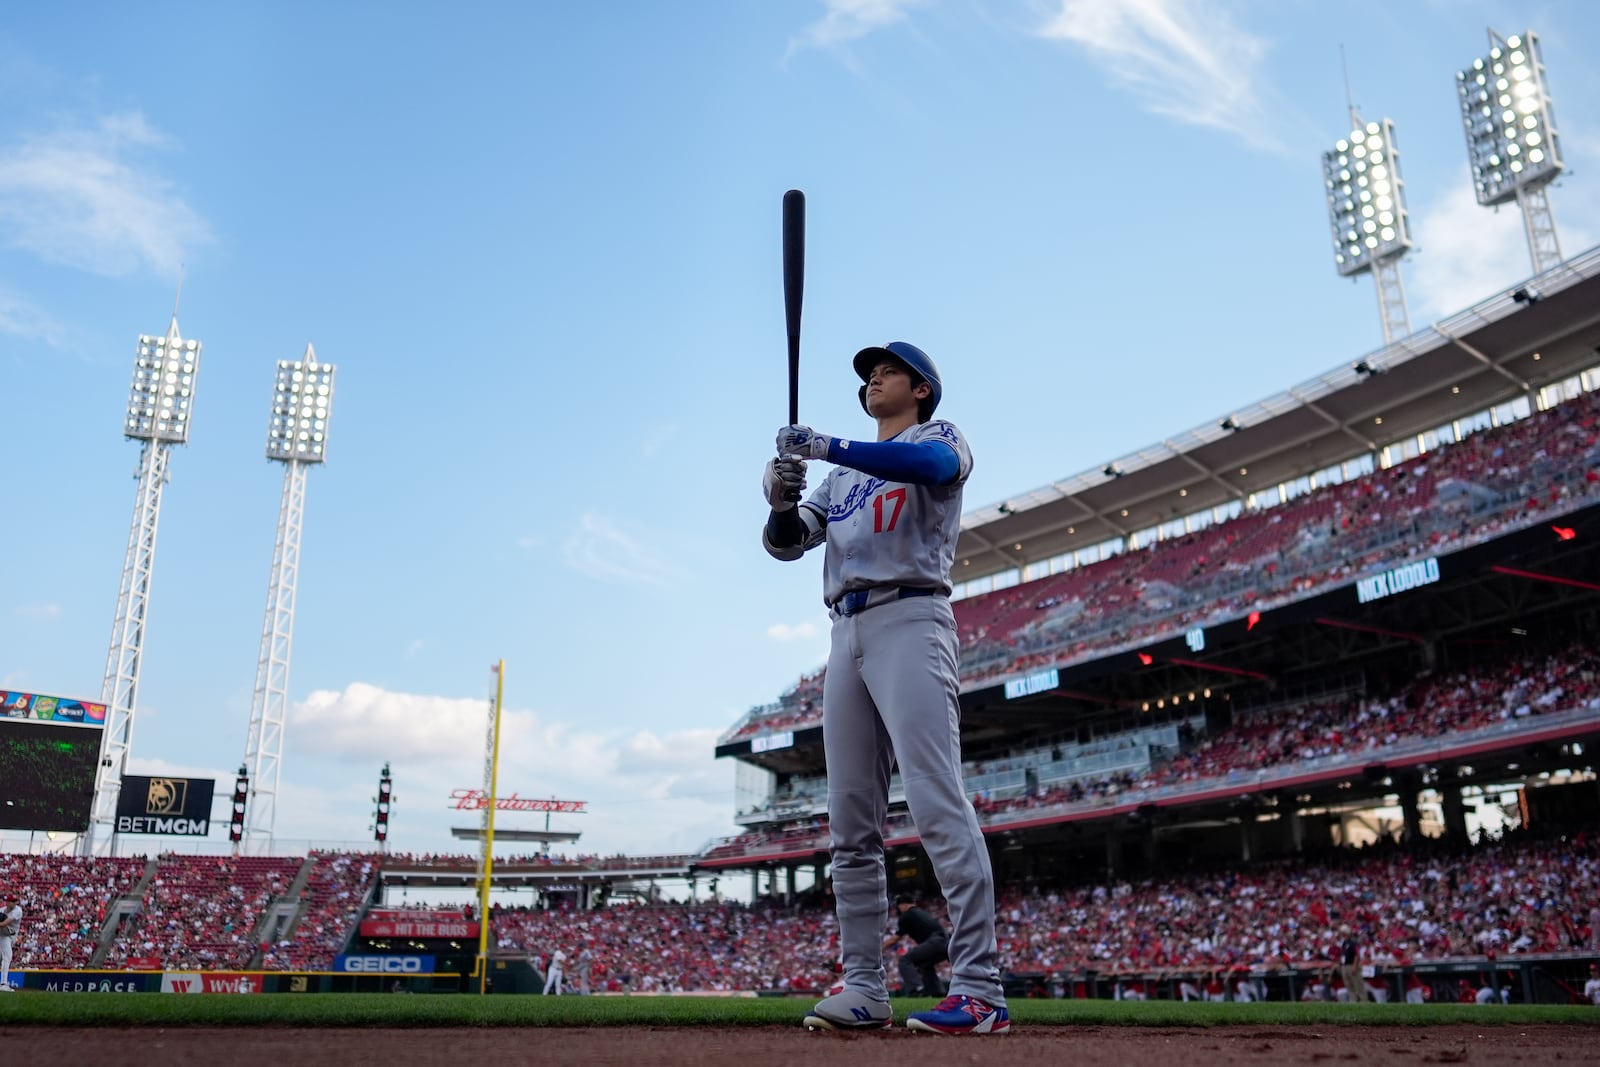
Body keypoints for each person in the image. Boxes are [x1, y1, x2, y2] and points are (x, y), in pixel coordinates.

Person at [766, 342, 1007, 1037]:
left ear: (922, 389)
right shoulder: (838, 480)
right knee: (850, 821)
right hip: (844, 632)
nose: (874, 376)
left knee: (935, 798)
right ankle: (865, 985)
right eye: (869, 372)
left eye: (889, 370)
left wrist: (825, 443)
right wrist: (783, 496)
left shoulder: (938, 437)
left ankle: (981, 986)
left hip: (912, 616)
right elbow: (785, 543)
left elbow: (927, 468)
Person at [884, 894, 950, 997]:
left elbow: (895, 939)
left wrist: (881, 949)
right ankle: (938, 991)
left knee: (905, 960)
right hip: (946, 942)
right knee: (924, 963)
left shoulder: (907, 915)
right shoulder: (921, 912)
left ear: (903, 905)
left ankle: (916, 988)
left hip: (935, 941)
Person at [1338, 925, 1369, 1003]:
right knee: (1349, 985)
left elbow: (1357, 955)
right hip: (1344, 965)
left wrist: (1355, 966)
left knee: (1358, 985)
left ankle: (1364, 1001)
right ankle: (1353, 1001)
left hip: (1351, 965)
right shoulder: (1344, 943)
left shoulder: (1352, 943)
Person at [0, 892, 21, 991]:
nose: (14, 903)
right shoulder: (2, 910)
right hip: (3, 936)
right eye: (12, 901)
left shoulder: (17, 910)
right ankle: (4, 984)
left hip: (10, 936)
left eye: (15, 901)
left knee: (2, 958)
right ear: (7, 902)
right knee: (7, 957)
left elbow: (5, 923)